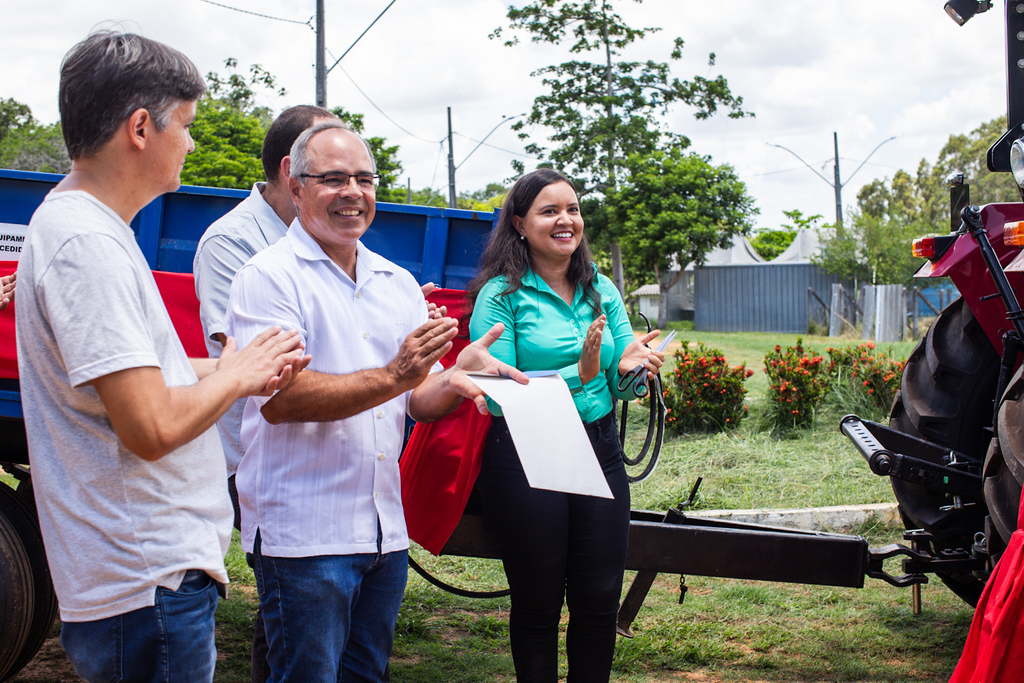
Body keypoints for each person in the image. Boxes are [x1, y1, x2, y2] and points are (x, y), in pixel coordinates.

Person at [14, 31, 309, 683]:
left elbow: (145, 380)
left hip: (144, 576)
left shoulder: (90, 228)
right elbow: (148, 426)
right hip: (144, 577)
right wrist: (234, 375)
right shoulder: (86, 244)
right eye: (188, 124)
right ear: (141, 127)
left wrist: (251, 362)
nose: (193, 142)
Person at [225, 119, 526, 682]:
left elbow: (418, 396)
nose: (353, 193)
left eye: (364, 178)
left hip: (384, 530)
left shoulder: (396, 281)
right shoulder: (266, 278)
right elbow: (282, 398)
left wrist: (456, 378)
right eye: (333, 179)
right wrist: (397, 375)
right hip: (304, 533)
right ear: (296, 187)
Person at [467, 168, 664, 683]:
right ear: (519, 224)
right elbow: (503, 393)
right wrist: (582, 376)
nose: (565, 220)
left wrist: (633, 370)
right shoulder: (500, 296)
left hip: (599, 446)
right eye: (549, 211)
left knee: (599, 598)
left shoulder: (601, 288)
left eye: (572, 209)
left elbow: (621, 384)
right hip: (528, 453)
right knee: (538, 601)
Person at [193, 103, 334, 683]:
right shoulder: (231, 240)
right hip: (261, 448)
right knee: (289, 604)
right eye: (327, 172)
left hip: (325, 441)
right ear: (289, 171)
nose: (345, 186)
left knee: (318, 611)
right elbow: (259, 360)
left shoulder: (321, 231)